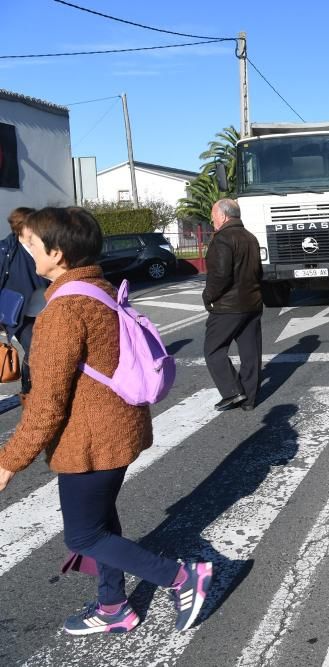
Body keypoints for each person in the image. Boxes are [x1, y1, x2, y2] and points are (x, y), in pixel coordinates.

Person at [0, 207, 212, 635]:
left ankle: (181, 578)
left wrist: (8, 463)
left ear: (57, 254)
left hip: (90, 443)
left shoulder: (62, 311)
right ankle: (113, 605)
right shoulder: (98, 287)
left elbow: (47, 404)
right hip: (117, 430)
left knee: (83, 537)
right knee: (100, 523)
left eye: (33, 245)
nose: (29, 252)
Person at [202, 198, 264, 411]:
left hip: (228, 307)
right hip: (252, 303)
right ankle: (249, 399)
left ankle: (232, 392)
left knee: (213, 350)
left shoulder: (222, 239)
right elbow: (259, 272)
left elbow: (220, 276)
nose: (212, 220)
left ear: (223, 216)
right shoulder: (251, 238)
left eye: (213, 216)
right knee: (251, 352)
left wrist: (208, 297)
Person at [1, 207, 49, 394]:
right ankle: (29, 390)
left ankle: (42, 385)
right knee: (34, 349)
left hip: (47, 309)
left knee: (48, 349)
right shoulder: (6, 250)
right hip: (21, 315)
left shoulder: (43, 246)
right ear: (21, 227)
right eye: (33, 224)